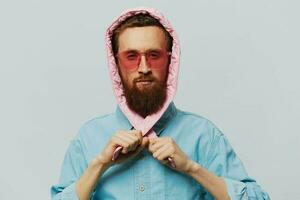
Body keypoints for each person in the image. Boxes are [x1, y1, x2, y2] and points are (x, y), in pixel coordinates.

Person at [51, 7, 270, 200]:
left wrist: (192, 168)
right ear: (116, 64)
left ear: (170, 61)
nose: (144, 67)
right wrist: (101, 164)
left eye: (154, 55)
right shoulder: (88, 139)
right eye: (131, 56)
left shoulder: (204, 136)